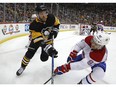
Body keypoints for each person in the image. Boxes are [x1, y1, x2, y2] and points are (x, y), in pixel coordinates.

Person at [16, 5, 60, 76]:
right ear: (37, 14)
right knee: (29, 54)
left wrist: (55, 32)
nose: (44, 15)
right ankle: (22, 67)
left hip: (48, 40)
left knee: (44, 59)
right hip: (37, 41)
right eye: (41, 13)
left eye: (45, 13)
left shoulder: (51, 17)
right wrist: (48, 48)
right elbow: (38, 40)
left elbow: (57, 24)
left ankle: (46, 53)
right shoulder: (33, 25)